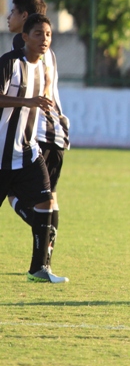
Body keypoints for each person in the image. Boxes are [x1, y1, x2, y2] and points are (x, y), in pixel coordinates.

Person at [0, 14, 68, 283]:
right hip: (1, 154)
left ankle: (39, 269)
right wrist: (27, 101)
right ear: (25, 37)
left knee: (46, 201)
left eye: (48, 34)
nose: (44, 39)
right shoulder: (10, 62)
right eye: (38, 34)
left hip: (27, 151)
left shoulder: (43, 67)